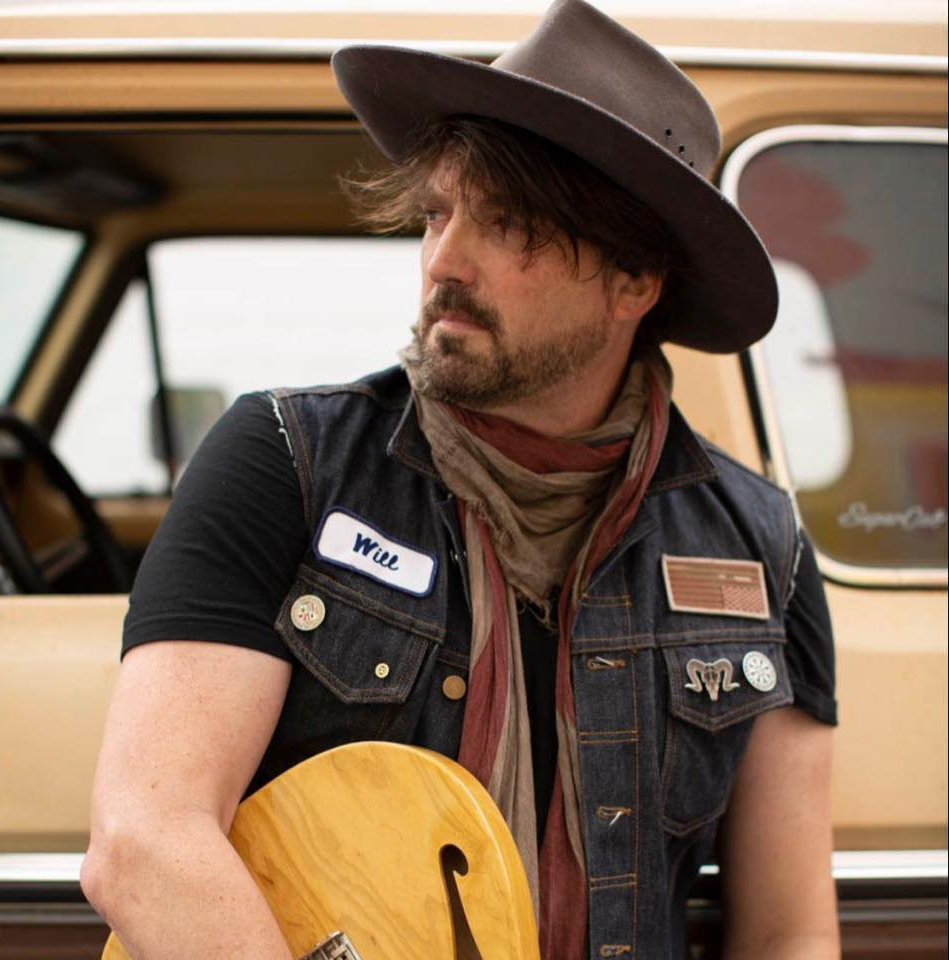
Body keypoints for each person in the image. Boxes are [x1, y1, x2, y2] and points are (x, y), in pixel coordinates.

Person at [80, 1, 839, 957]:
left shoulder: (761, 548)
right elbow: (144, 842)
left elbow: (787, 937)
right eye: (439, 213)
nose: (445, 260)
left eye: (509, 223)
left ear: (633, 282)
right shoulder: (288, 462)